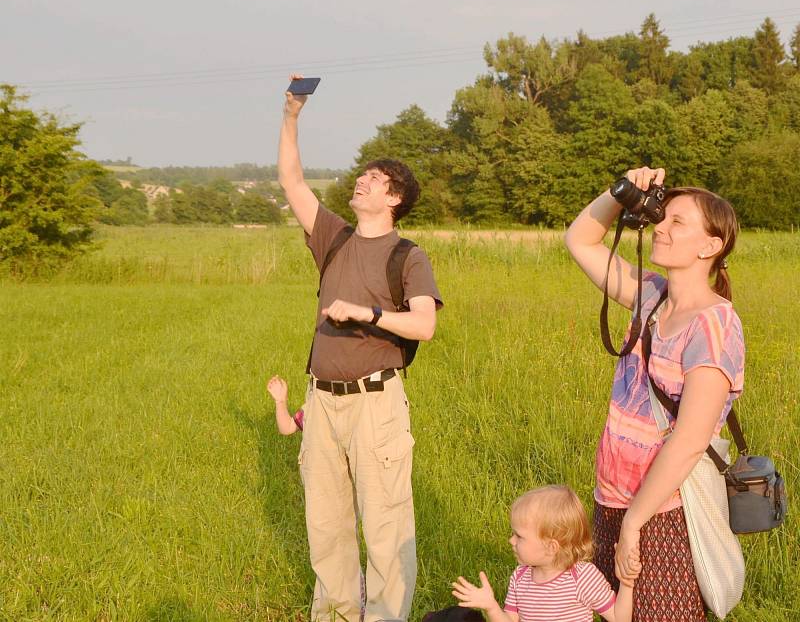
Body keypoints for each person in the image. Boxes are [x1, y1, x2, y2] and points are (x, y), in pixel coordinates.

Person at [277, 75, 443, 622]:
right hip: (321, 401)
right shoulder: (335, 237)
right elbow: (293, 182)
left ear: (394, 198)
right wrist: (292, 116)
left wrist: (366, 313)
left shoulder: (408, 256)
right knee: (326, 524)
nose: (362, 181)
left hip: (377, 403)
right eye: (362, 175)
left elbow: (423, 327)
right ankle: (335, 615)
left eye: (375, 180)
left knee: (386, 523)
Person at [564, 166, 745, 621]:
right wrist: (620, 192)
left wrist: (635, 521)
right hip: (614, 494)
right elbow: (580, 240)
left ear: (711, 246)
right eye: (663, 217)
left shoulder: (715, 326)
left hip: (668, 509)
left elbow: (688, 441)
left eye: (677, 223)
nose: (661, 227)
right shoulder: (652, 295)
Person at [451, 485, 640, 622]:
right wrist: (491, 606)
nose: (511, 540)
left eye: (519, 536)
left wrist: (626, 582)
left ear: (551, 547)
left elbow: (619, 618)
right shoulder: (520, 577)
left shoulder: (582, 578)